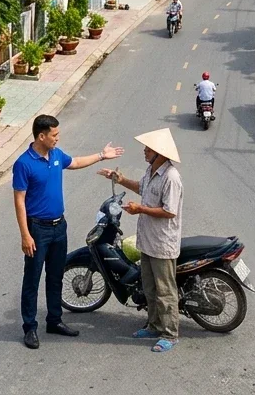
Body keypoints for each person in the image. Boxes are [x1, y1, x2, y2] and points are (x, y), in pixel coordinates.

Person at [12, 114, 123, 349]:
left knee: (56, 276)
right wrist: (25, 234)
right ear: (41, 136)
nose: (57, 138)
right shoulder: (24, 163)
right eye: (54, 135)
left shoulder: (56, 155)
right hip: (37, 229)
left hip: (59, 227)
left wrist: (102, 155)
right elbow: (19, 201)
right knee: (32, 279)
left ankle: (54, 320)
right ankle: (30, 327)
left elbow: (76, 162)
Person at [98, 128, 183, 353]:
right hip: (147, 241)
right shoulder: (151, 171)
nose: (144, 151)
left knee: (165, 291)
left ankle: (170, 334)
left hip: (162, 243)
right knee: (150, 287)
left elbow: (169, 211)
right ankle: (154, 325)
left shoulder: (171, 177)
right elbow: (141, 187)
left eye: (149, 149)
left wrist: (140, 209)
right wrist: (120, 179)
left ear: (160, 153)